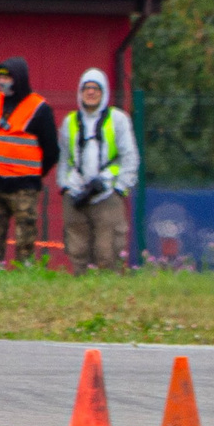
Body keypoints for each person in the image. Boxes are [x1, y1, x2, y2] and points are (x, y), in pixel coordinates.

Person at [57, 67, 139, 273]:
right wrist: (65, 187)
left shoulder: (117, 119)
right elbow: (64, 158)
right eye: (86, 88)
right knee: (77, 248)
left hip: (107, 194)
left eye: (96, 89)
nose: (91, 92)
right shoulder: (70, 122)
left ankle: (109, 290)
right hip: (76, 194)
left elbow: (130, 156)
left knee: (108, 249)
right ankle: (80, 286)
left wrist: (119, 187)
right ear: (80, 92)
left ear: (104, 93)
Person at [0, 57, 57, 264]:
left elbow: (51, 151)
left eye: (7, 76)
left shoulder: (39, 109)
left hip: (24, 188)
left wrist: (32, 175)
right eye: (0, 76)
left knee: (25, 243)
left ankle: (24, 278)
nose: (2, 81)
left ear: (19, 79)